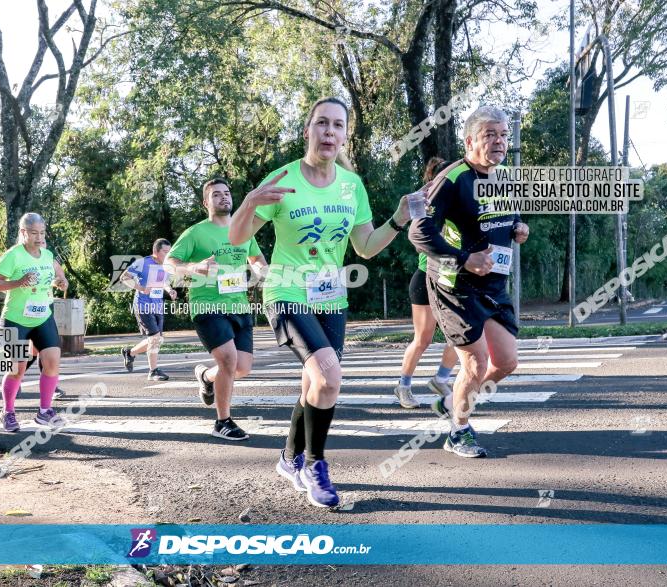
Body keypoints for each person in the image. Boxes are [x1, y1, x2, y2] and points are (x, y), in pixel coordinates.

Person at [229, 97, 413, 508]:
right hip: (286, 291)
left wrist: (399, 218)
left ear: (346, 135)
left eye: (338, 125)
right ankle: (314, 464)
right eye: (322, 124)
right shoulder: (283, 178)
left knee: (315, 383)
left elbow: (365, 246)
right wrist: (248, 202)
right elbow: (238, 239)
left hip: (331, 295)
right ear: (308, 130)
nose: (330, 132)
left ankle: (288, 457)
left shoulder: (353, 186)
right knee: (329, 378)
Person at [409, 105, 530, 458]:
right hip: (454, 286)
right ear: (470, 141)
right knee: (475, 364)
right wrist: (465, 259)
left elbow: (509, 217)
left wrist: (520, 229)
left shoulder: (505, 177)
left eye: (504, 135)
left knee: (505, 362)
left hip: (493, 285)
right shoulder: (450, 179)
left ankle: (453, 400)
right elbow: (419, 233)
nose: (499, 141)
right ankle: (458, 431)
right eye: (490, 135)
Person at [165, 177, 267, 441]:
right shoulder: (195, 233)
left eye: (226, 193)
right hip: (207, 305)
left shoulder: (243, 229)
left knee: (242, 367)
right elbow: (169, 263)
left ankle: (206, 377)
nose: (224, 197)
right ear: (205, 202)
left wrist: (261, 271)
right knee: (228, 360)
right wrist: (193, 268)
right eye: (216, 194)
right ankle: (223, 421)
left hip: (239, 306)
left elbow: (255, 257)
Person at [0, 212, 69, 433]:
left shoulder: (47, 255)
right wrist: (18, 282)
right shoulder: (13, 255)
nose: (39, 237)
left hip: (43, 316)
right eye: (34, 233)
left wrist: (61, 281)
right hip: (16, 319)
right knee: (18, 368)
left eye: (42, 233)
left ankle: (44, 412)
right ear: (23, 232)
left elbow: (59, 275)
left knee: (52, 361)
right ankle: (8, 412)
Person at [396, 157, 460, 408]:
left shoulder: (458, 199)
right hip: (425, 277)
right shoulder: (422, 202)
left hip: (450, 275)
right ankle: (403, 386)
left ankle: (440, 378)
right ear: (433, 179)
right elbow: (418, 239)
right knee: (422, 339)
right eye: (442, 175)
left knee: (461, 335)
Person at [120, 239, 178, 381]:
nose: (168, 254)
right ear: (156, 251)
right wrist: (141, 288)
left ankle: (130, 353)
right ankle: (153, 371)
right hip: (143, 305)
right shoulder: (143, 263)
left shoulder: (166, 266)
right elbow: (124, 277)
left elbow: (163, 281)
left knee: (157, 339)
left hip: (157, 305)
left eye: (169, 251)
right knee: (154, 337)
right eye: (165, 251)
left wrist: (170, 290)